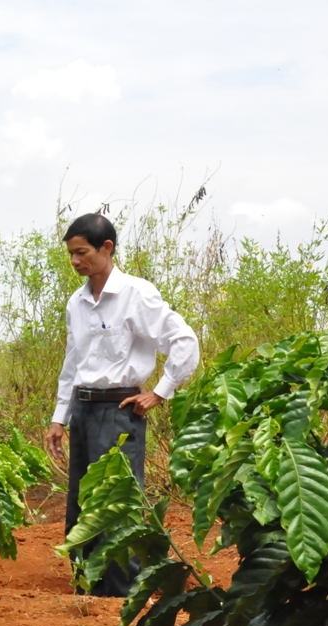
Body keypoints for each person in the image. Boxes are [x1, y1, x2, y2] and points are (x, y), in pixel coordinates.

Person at [45, 213, 199, 597]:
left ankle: (121, 594)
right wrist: (59, 418)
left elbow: (184, 342)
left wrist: (159, 392)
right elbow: (71, 363)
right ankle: (87, 584)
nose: (75, 261)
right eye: (71, 254)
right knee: (82, 499)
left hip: (119, 411)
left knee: (118, 501)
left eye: (82, 252)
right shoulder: (76, 303)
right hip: (82, 408)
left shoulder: (137, 294)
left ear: (107, 248)